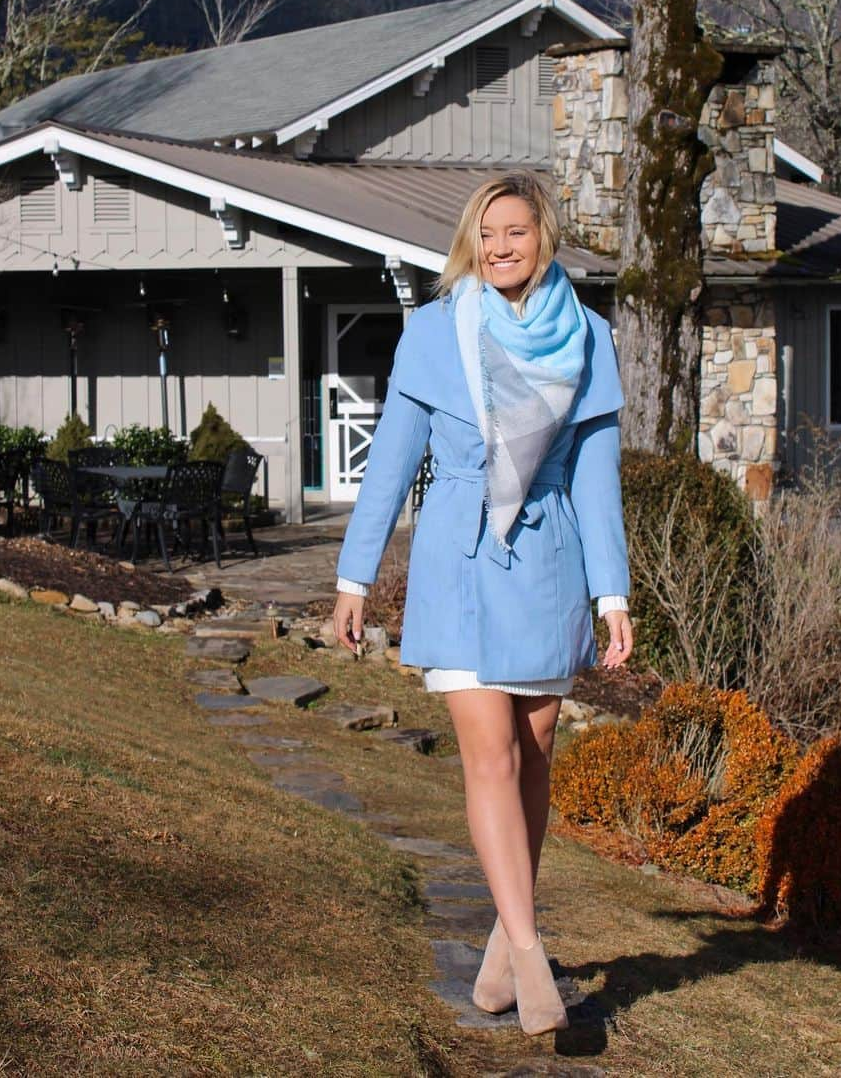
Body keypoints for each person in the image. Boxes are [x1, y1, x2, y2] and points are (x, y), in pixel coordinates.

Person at [332, 172, 633, 1035]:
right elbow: (391, 461)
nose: (501, 247)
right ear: (472, 241)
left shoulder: (589, 339)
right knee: (491, 756)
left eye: (517, 232)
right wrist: (354, 581)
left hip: (547, 562)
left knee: (536, 754)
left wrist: (612, 593)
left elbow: (596, 481)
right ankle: (533, 954)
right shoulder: (435, 332)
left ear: (545, 237)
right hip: (460, 561)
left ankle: (505, 941)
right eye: (487, 233)